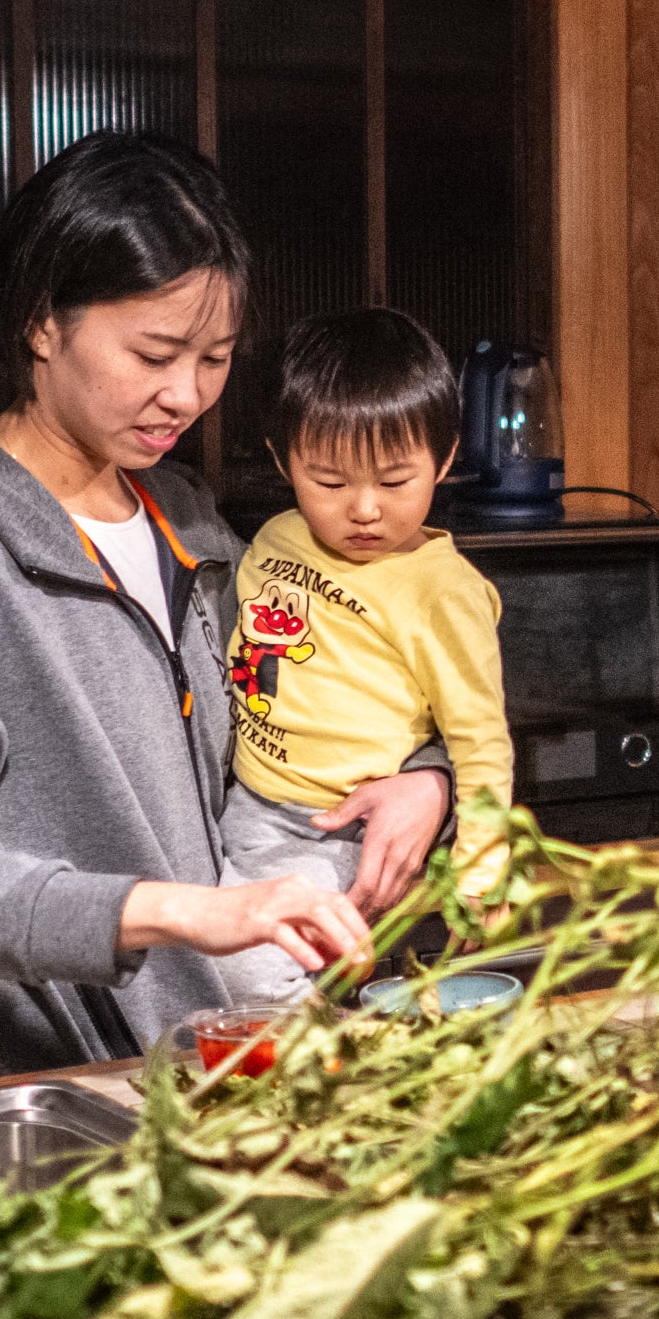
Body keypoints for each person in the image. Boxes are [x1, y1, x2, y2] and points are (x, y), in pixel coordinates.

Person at [0, 134, 405, 1087]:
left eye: (215, 358)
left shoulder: (186, 522)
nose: (186, 395)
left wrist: (424, 776)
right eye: (154, 353)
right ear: (44, 323)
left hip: (226, 1079)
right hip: (58, 1102)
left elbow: (332, 679)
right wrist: (167, 910)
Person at [212, 308, 515, 993]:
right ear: (280, 460)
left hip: (335, 831)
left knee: (254, 978)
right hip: (246, 805)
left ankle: (300, 1091)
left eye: (394, 480)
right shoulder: (276, 537)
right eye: (329, 481)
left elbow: (482, 741)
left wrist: (481, 868)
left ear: (444, 460)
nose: (365, 508)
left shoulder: (443, 592)